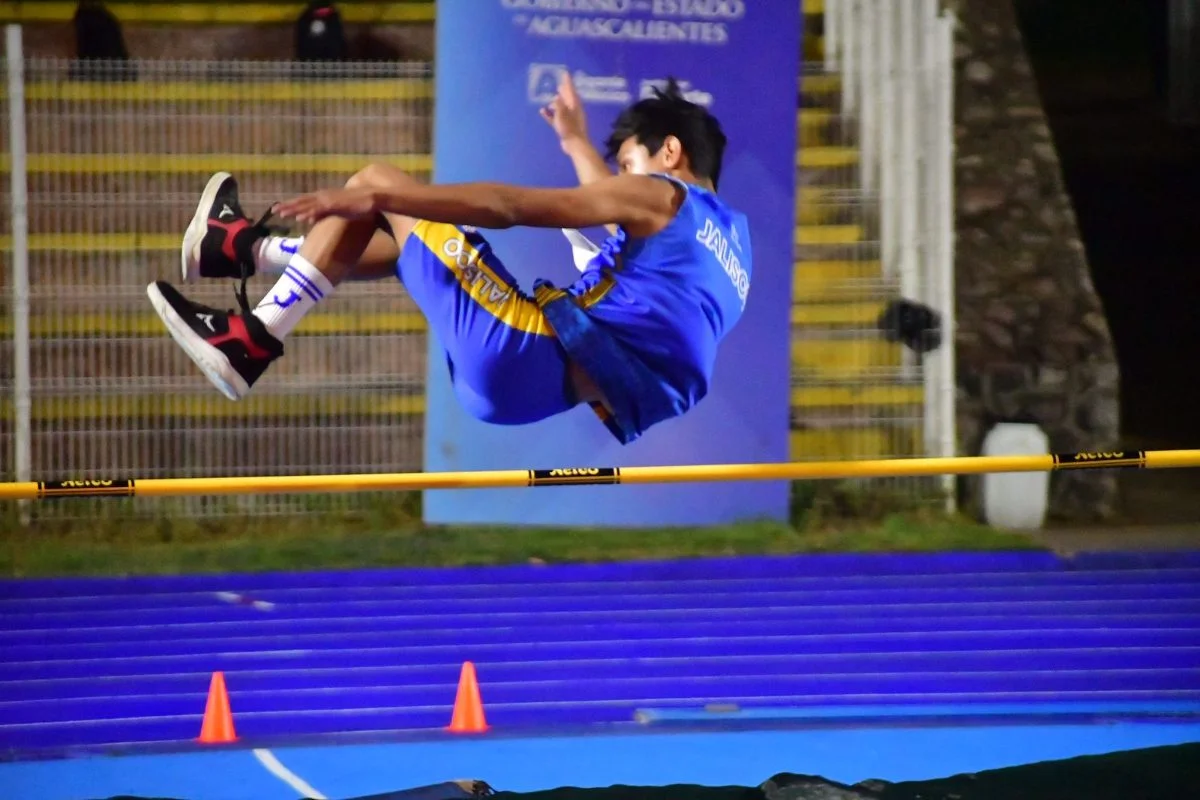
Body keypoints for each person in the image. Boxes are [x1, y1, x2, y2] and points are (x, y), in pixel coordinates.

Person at [145, 75, 752, 445]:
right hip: (530, 396)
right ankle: (241, 248)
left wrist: (377, 192)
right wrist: (573, 140)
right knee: (400, 235)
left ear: (669, 152)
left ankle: (252, 339)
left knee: (379, 186)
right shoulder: (731, 251)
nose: (622, 177)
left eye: (626, 162)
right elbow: (610, 211)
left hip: (520, 346)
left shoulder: (662, 197)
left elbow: (509, 205)